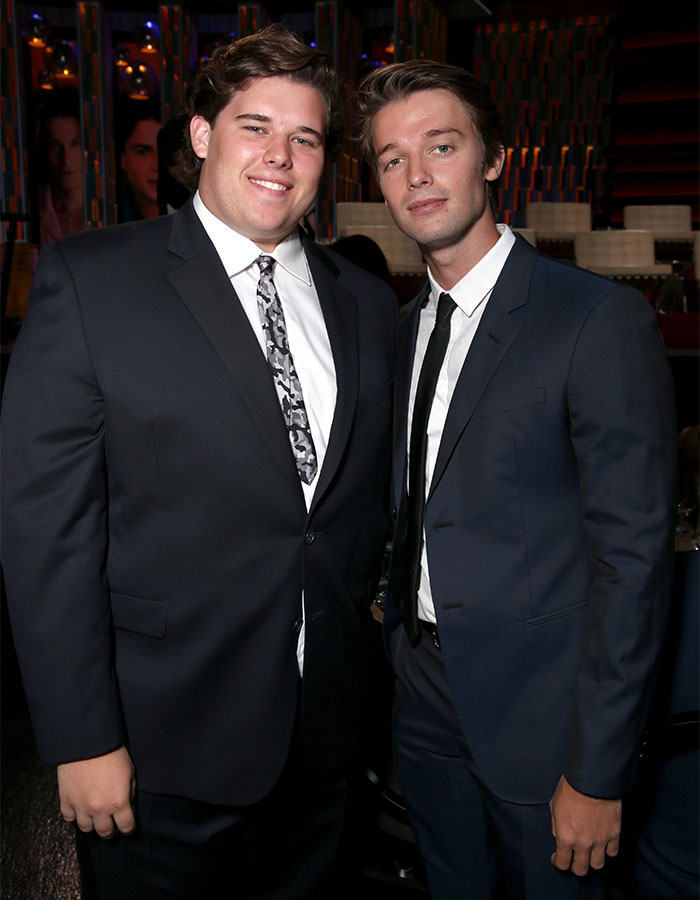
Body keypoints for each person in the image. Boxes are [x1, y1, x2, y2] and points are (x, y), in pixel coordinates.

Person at [1, 25, 396, 900]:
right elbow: (46, 536)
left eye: (305, 138)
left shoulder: (369, 305)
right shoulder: (91, 282)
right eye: (255, 126)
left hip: (326, 749)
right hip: (158, 753)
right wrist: (80, 738)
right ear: (202, 136)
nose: (280, 156)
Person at [355, 59, 677, 899]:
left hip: (547, 717)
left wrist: (599, 768)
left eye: (442, 145)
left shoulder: (596, 320)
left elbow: (634, 561)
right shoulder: (400, 332)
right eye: (392, 159)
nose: (417, 176)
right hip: (421, 695)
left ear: (495, 158)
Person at [35, 88, 84, 244]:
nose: (65, 158)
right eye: (54, 145)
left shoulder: (115, 204)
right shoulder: (31, 206)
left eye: (76, 144)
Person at [117, 101, 161, 222]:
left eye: (165, 151)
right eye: (143, 152)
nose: (157, 166)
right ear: (122, 158)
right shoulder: (110, 216)